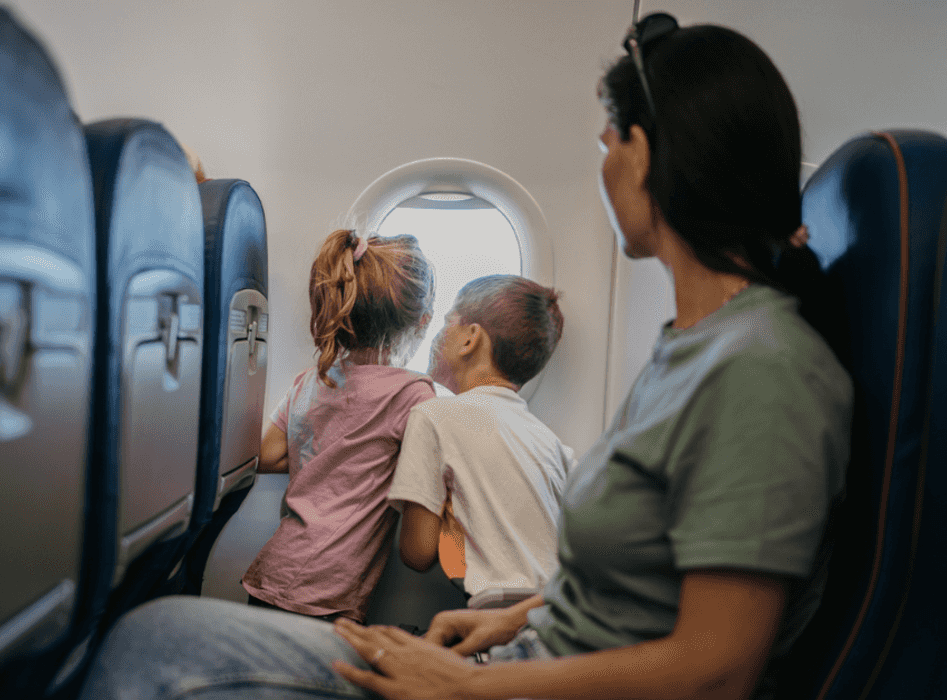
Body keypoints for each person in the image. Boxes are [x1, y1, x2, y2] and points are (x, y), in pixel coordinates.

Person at [78, 15, 852, 700]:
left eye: (604, 144)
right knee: (158, 632)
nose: (602, 164)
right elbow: (624, 591)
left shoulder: (760, 371)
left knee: (153, 646)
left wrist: (470, 688)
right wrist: (507, 621)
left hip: (518, 685)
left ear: (640, 154)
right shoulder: (691, 351)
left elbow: (714, 671)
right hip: (512, 658)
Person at [240, 228, 436, 622]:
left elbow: (267, 454)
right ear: (422, 320)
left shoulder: (311, 379)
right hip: (324, 592)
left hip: (275, 570)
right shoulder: (413, 395)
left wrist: (327, 458)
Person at [389, 275, 572, 608]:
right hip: (556, 611)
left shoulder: (433, 416)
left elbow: (417, 552)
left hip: (496, 610)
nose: (438, 335)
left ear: (471, 338)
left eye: (447, 323)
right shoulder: (553, 444)